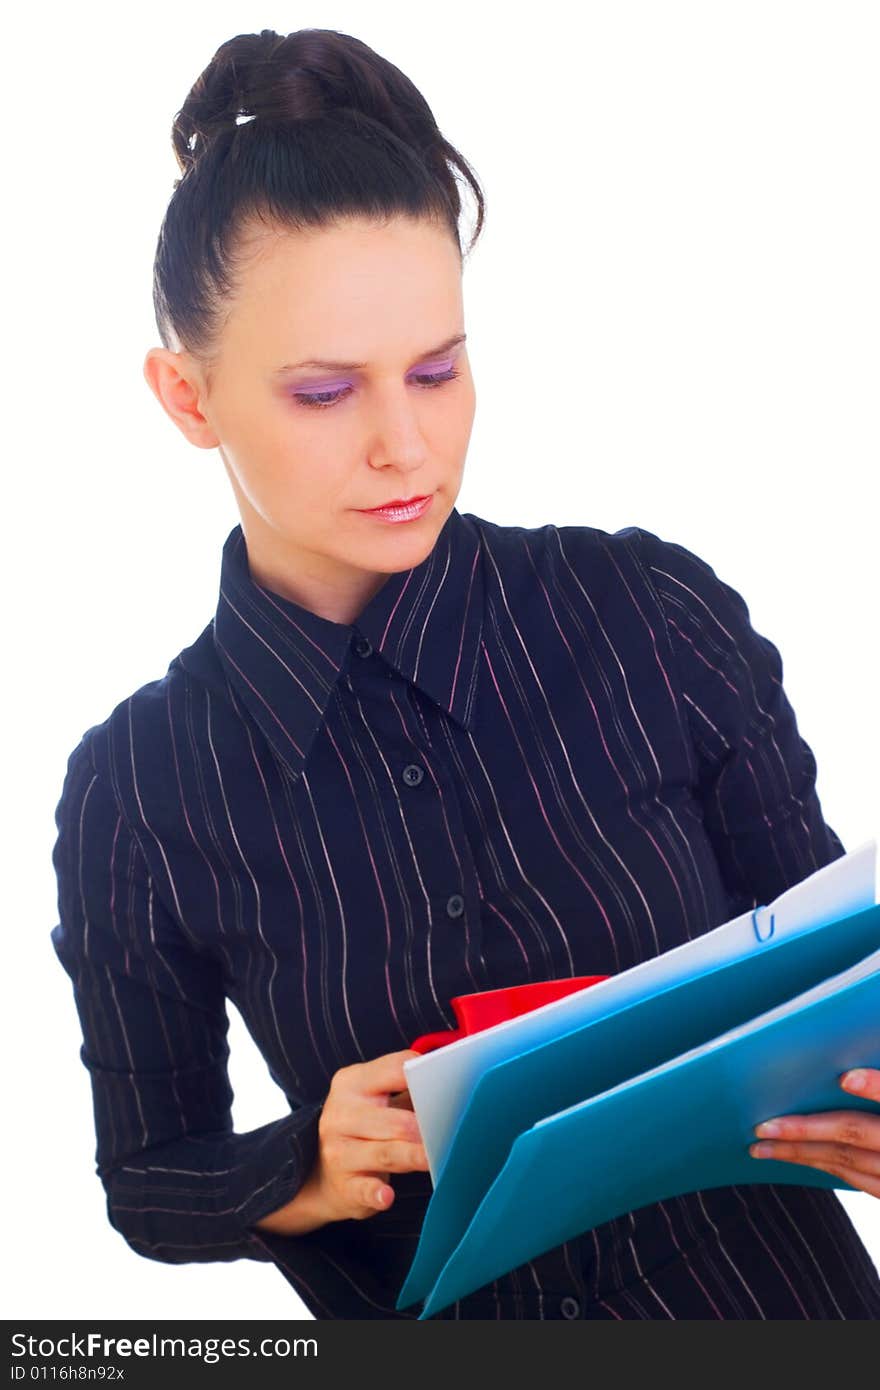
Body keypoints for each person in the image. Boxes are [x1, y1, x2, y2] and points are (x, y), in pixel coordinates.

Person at [50, 25, 880, 1321]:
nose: (406, 443)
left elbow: (834, 969)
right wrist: (303, 1164)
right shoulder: (137, 788)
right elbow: (146, 1175)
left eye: (438, 371)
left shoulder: (647, 612)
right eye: (326, 392)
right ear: (187, 395)